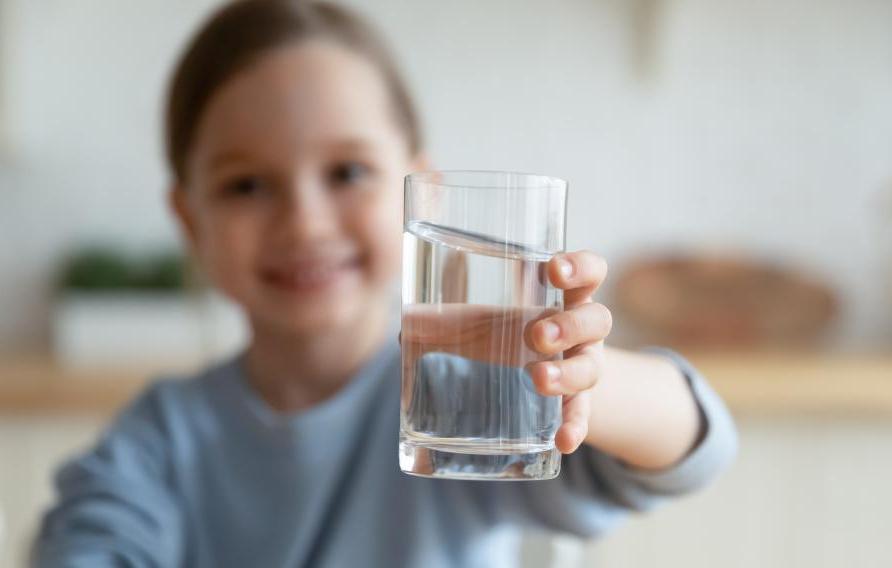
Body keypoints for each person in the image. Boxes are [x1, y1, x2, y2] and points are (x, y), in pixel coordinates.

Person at [34, 1, 737, 566]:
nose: (305, 223)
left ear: (420, 192)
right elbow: (86, 538)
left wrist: (587, 379)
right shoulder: (160, 440)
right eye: (247, 185)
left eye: (347, 173)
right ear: (190, 220)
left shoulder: (466, 396)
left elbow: (695, 448)